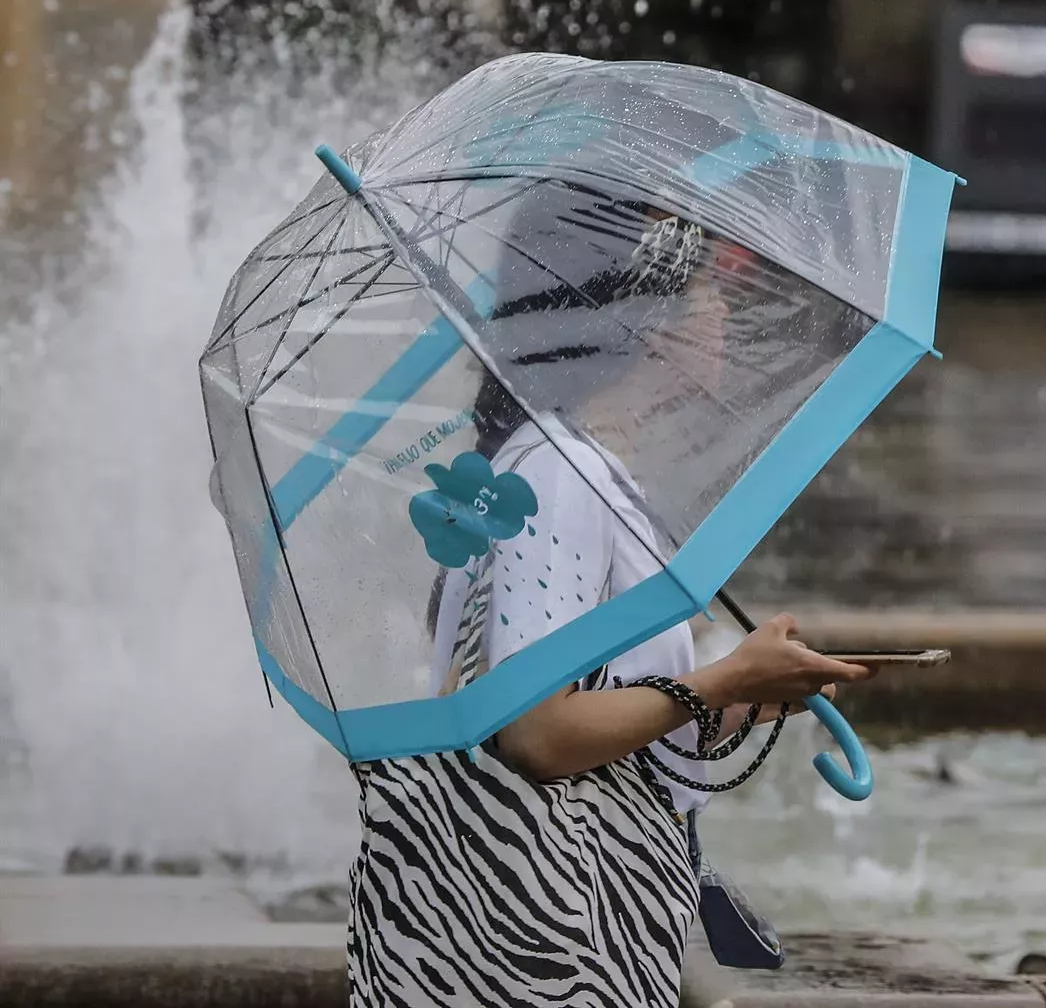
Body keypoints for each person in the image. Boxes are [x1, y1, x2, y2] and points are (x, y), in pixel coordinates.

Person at [347, 186, 871, 1008]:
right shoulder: (559, 476)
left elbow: (606, 713)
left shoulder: (570, 468)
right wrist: (723, 681)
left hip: (570, 925)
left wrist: (755, 694)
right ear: (641, 318)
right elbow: (536, 733)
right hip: (543, 941)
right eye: (707, 293)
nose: (724, 314)